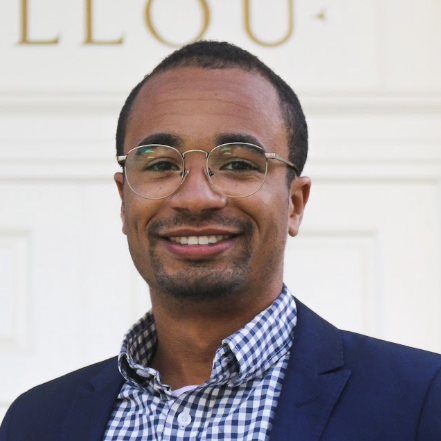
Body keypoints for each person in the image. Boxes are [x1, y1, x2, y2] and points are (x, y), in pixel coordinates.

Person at [1, 40, 440, 441]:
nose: (195, 198)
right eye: (158, 165)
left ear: (295, 203)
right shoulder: (36, 421)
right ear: (123, 199)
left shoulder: (422, 401)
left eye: (237, 163)